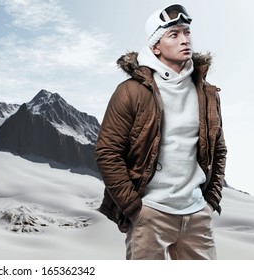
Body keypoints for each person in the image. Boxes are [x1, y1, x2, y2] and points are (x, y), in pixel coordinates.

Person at [95, 3, 227, 260]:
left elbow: (218, 148)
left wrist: (210, 200)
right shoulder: (131, 91)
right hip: (150, 213)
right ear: (155, 46)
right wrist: (134, 209)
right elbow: (107, 152)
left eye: (186, 32)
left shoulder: (207, 93)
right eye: (174, 35)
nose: (185, 39)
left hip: (197, 215)